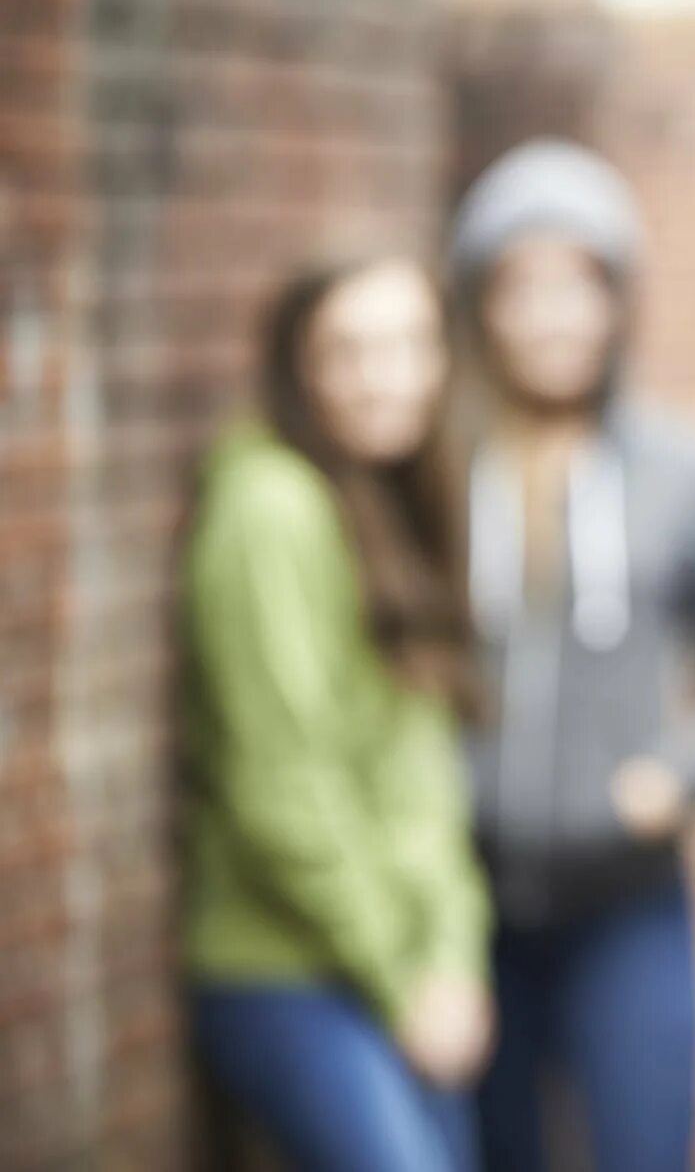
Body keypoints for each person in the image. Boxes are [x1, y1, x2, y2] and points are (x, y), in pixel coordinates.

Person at [447, 139, 695, 1172]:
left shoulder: (691, 475)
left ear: (615, 302)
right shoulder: (441, 470)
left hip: (629, 905)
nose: (552, 315)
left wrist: (670, 779)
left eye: (577, 285)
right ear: (481, 307)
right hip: (463, 907)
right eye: (521, 287)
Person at [182, 253, 491, 1172]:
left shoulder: (389, 499)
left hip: (402, 970)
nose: (382, 378)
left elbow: (425, 782)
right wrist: (407, 981)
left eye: (407, 345)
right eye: (347, 350)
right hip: (288, 966)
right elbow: (282, 786)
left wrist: (455, 960)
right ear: (299, 368)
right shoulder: (271, 508)